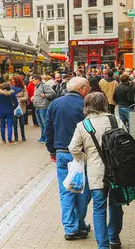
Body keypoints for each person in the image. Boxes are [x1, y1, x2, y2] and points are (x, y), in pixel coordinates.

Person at [69, 92, 125, 249]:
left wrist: (86, 158)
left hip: (96, 173)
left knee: (99, 209)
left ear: (87, 106)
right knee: (116, 206)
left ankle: (103, 245)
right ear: (104, 103)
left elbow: (73, 148)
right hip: (116, 172)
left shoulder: (83, 125)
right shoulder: (115, 120)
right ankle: (114, 237)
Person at [44, 77, 91, 242]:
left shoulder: (55, 103)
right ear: (83, 88)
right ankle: (79, 225)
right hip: (81, 154)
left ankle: (70, 229)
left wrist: (51, 150)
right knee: (82, 191)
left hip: (62, 153)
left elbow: (48, 129)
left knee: (66, 191)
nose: (90, 91)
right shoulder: (86, 105)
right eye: (89, 88)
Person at [31, 75, 56, 144]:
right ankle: (42, 138)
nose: (32, 82)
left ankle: (47, 139)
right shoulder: (36, 86)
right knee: (41, 124)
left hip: (43, 107)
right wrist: (33, 98)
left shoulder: (44, 85)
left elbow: (53, 93)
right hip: (37, 107)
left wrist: (45, 95)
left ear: (37, 80)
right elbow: (37, 95)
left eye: (33, 80)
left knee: (45, 124)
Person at [10, 76, 28, 142]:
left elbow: (26, 97)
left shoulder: (23, 88)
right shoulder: (10, 88)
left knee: (22, 123)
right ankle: (16, 137)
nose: (12, 82)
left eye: (14, 81)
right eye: (12, 81)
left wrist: (19, 99)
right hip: (13, 108)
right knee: (14, 123)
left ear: (17, 81)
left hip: (21, 107)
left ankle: (23, 136)